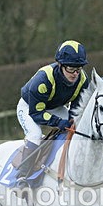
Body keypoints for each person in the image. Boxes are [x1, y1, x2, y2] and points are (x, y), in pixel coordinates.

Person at [15, 40, 90, 187]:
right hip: (29, 107)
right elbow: (36, 113)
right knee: (35, 135)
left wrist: (70, 121)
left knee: (74, 130)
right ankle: (22, 176)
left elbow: (76, 110)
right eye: (70, 69)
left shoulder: (83, 80)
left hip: (55, 107)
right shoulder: (43, 79)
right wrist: (58, 122)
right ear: (60, 65)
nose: (75, 74)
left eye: (78, 69)